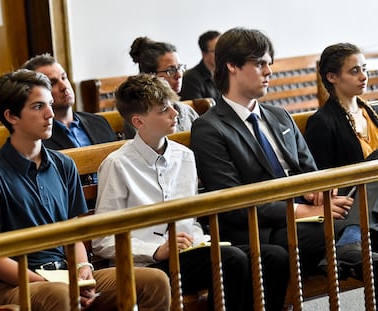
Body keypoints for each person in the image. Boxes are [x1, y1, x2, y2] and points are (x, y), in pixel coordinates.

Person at [0, 69, 170, 311]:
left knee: (154, 281)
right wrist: (44, 280)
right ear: (12, 116)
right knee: (60, 296)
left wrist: (82, 270)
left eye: (50, 105)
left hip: (67, 275)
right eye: (38, 107)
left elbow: (74, 232)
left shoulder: (64, 165)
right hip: (19, 284)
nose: (50, 114)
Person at [92, 73, 289, 310]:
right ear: (138, 122)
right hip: (147, 264)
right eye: (164, 110)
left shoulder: (184, 155)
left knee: (274, 257)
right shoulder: (118, 164)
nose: (175, 114)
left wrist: (196, 239)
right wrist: (156, 250)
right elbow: (102, 241)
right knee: (231, 261)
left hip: (189, 253)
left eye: (173, 106)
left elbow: (190, 220)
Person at [190, 27, 363, 285]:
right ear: (232, 66)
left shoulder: (279, 115)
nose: (269, 71)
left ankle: (351, 250)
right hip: (260, 229)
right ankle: (351, 249)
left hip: (308, 217)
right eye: (260, 64)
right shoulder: (210, 128)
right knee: (357, 232)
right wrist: (303, 210)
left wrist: (321, 193)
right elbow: (233, 202)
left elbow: (311, 172)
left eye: (269, 63)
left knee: (363, 216)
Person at [305, 43, 378, 279]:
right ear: (332, 77)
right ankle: (351, 236)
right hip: (350, 202)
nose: (364, 76)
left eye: (364, 69)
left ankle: (350, 240)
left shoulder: (371, 112)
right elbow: (324, 180)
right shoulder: (322, 122)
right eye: (354, 71)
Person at [22, 53, 117, 188]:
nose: (64, 86)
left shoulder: (99, 122)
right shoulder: (37, 137)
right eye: (52, 83)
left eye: (64, 77)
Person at [125, 36, 198, 139]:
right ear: (151, 76)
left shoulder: (188, 112)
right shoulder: (141, 119)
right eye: (171, 70)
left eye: (180, 68)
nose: (179, 75)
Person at [179, 30, 221, 101]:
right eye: (216, 51)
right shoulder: (191, 79)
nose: (221, 54)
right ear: (204, 53)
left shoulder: (225, 73)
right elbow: (195, 111)